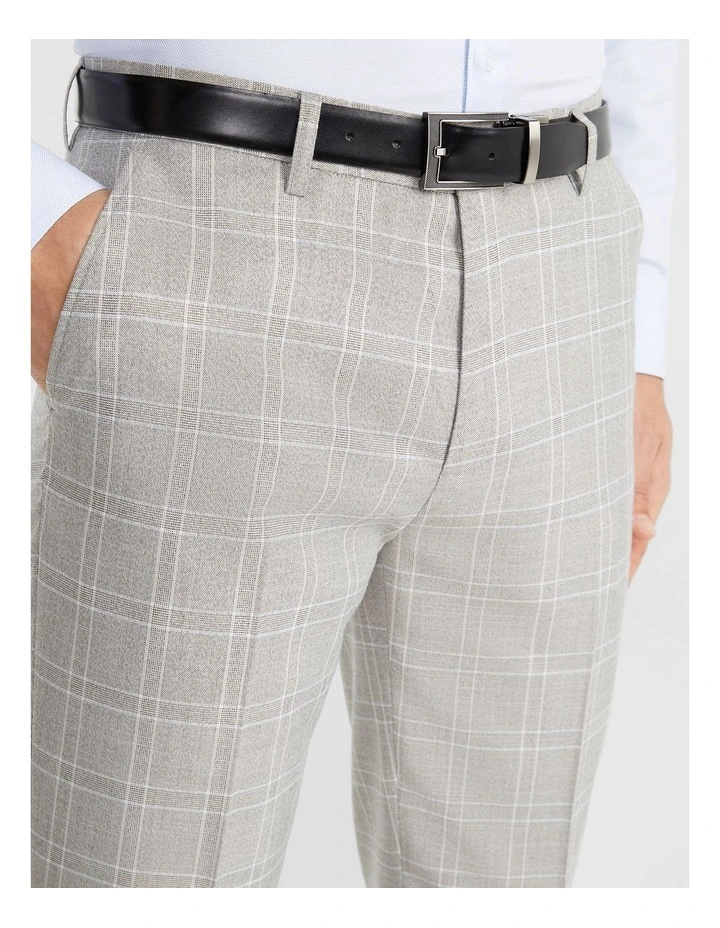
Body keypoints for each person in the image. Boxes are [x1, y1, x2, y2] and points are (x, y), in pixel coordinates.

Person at [30, 39, 677, 889]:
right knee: (144, 873)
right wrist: (35, 228)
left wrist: (643, 333)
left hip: (565, 272)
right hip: (216, 237)